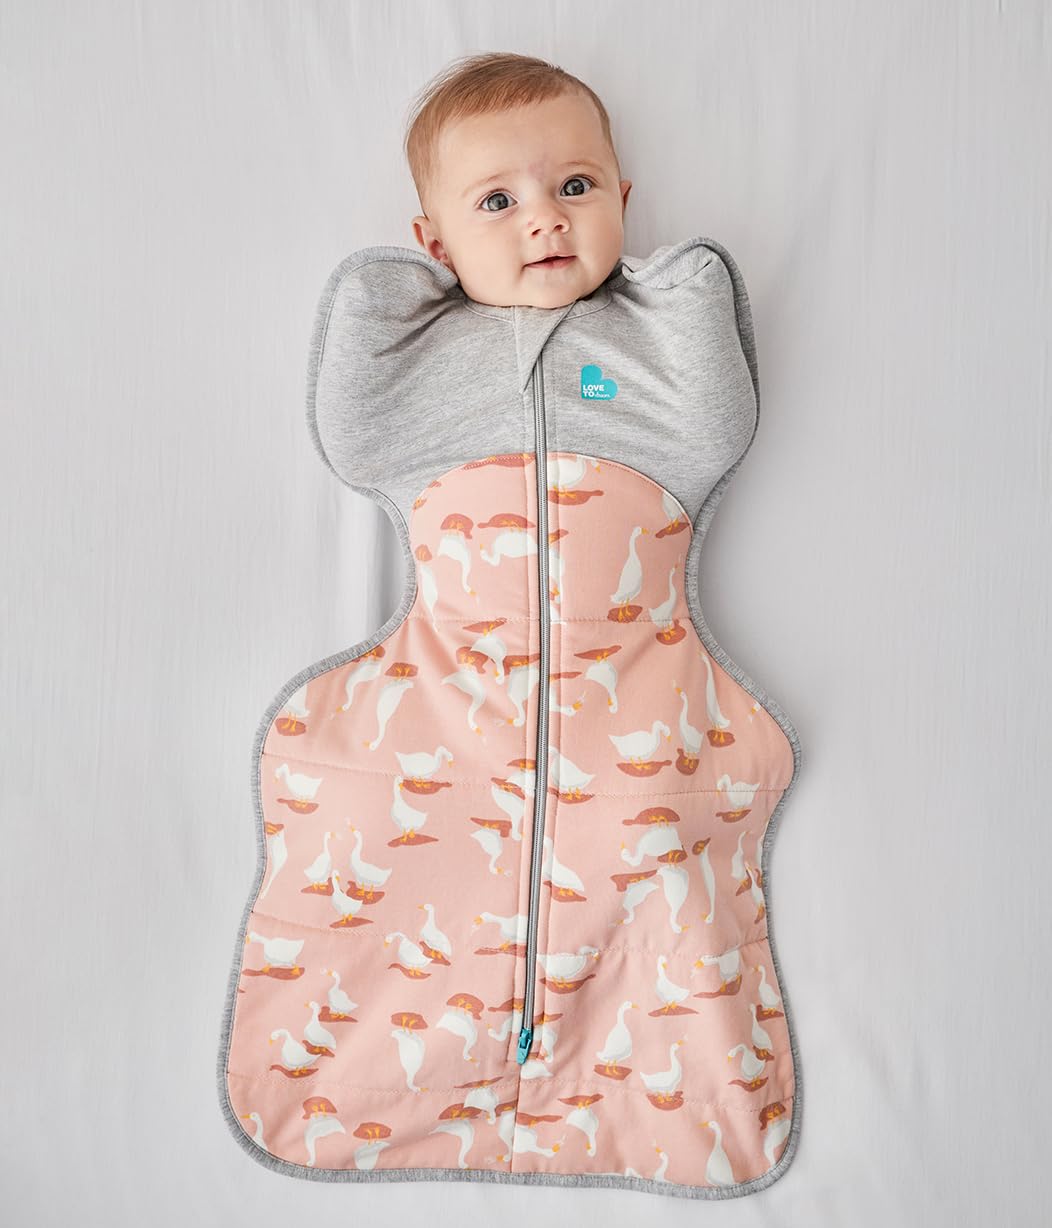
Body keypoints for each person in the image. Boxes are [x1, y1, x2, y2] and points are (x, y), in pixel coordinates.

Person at [404, 51, 633, 310]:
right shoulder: (419, 325)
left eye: (575, 187)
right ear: (439, 246)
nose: (547, 220)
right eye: (498, 202)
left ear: (620, 204)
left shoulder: (660, 305)